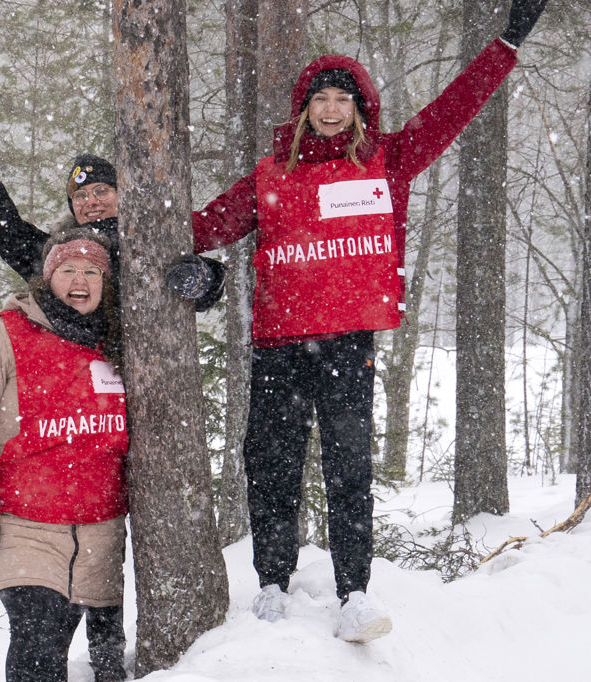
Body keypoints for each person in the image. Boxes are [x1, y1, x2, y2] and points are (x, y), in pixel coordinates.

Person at [187, 0, 547, 643]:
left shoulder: (387, 160)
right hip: (278, 344)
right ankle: (272, 583)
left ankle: (354, 592)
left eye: (342, 100)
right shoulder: (271, 175)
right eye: (320, 99)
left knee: (349, 469)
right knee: (269, 464)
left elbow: (453, 110)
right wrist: (108, 240)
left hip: (348, 341)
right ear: (304, 110)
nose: (330, 109)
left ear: (359, 109)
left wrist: (506, 45)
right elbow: (203, 226)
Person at [0, 232, 128, 682]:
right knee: (38, 644)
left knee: (94, 657)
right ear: (48, 278)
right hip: (23, 526)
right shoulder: (2, 331)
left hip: (99, 532)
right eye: (68, 270)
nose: (79, 280)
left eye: (91, 271)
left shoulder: (120, 340)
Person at [0, 107, 225, 310]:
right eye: (80, 196)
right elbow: (0, 227)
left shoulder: (150, 238)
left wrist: (204, 279)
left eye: (101, 190)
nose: (91, 201)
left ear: (121, 196)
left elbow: (205, 279)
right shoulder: (55, 253)